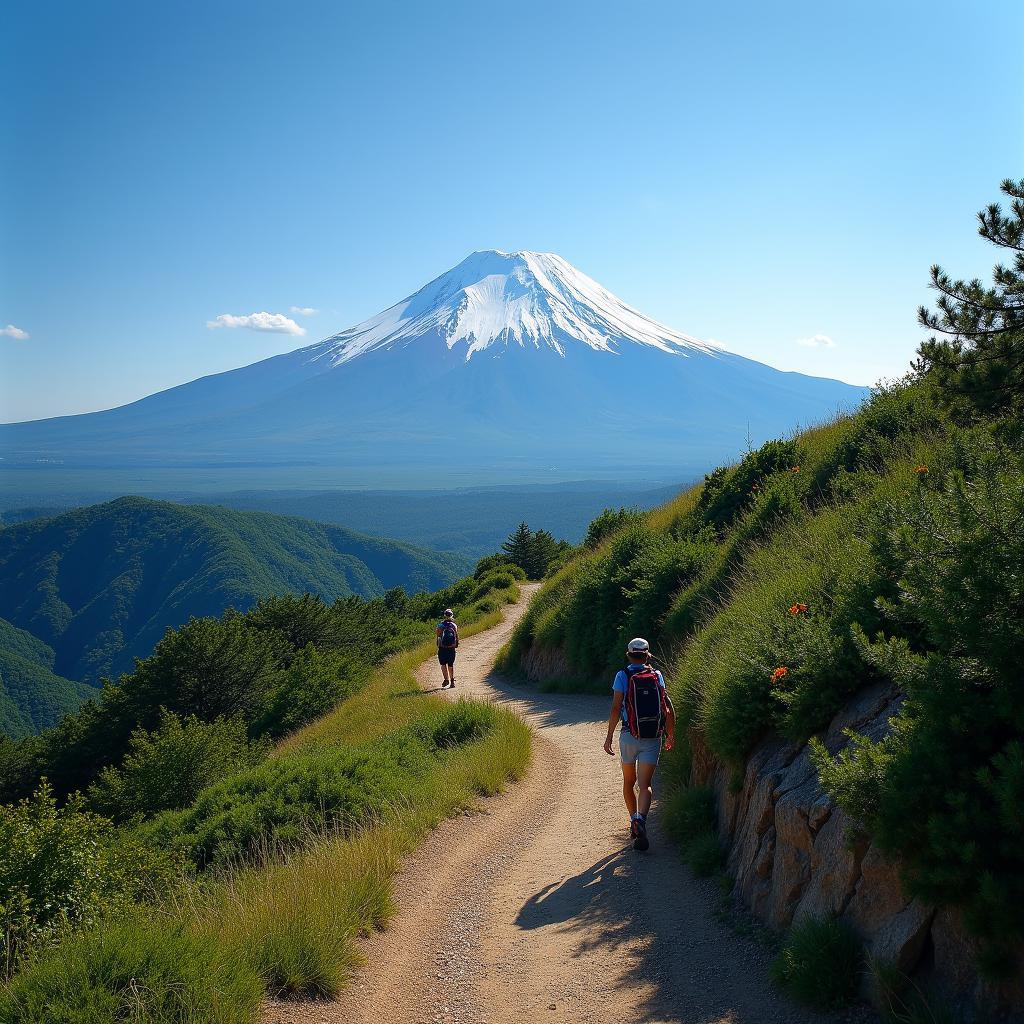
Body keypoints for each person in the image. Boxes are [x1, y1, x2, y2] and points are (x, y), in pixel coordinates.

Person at [603, 637, 675, 851]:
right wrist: (670, 734)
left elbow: (616, 708)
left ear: (629, 654)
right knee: (645, 785)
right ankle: (641, 821)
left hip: (628, 735)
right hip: (652, 736)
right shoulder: (657, 675)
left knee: (628, 781)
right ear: (647, 655)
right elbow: (667, 708)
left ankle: (633, 818)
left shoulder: (622, 675)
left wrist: (608, 736)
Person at [436, 608, 459, 688]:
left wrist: (439, 645)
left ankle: (446, 680)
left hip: (442, 648)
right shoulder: (454, 626)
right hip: (451, 648)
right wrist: (455, 645)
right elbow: (456, 637)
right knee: (450, 665)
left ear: (444, 616)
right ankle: (452, 681)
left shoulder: (440, 625)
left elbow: (438, 637)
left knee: (443, 664)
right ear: (452, 616)